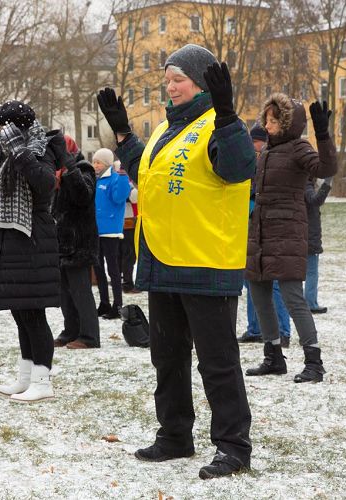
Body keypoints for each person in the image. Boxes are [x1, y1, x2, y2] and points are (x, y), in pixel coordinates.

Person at [97, 44, 254, 479]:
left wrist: (227, 115)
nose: (169, 87)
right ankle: (174, 435)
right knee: (167, 356)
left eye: (177, 79)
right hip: (164, 262)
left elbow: (241, 167)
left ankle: (234, 447)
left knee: (217, 360)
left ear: (201, 82)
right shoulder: (171, 129)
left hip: (206, 262)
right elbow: (147, 174)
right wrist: (124, 135)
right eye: (166, 80)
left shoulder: (216, 125)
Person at [245, 95, 337, 383]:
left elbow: (326, 169)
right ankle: (273, 356)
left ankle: (314, 361)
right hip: (260, 233)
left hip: (287, 233)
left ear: (287, 123)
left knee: (293, 298)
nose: (268, 126)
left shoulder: (299, 148)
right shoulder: (265, 153)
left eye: (275, 121)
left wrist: (322, 135)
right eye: (267, 120)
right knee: (259, 294)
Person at [0, 100, 60, 402]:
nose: (1, 133)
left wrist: (20, 153)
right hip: (10, 242)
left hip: (33, 242)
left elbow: (44, 185)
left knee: (33, 313)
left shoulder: (42, 147)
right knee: (19, 312)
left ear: (18, 125)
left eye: (4, 126)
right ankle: (26, 376)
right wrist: (0, 153)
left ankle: (43, 380)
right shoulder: (8, 152)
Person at [238, 124, 291, 347]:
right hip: (252, 227)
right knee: (251, 280)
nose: (251, 146)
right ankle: (256, 328)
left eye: (254, 142)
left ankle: (281, 330)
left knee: (271, 281)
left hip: (267, 229)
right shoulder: (257, 160)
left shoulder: (268, 160)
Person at [51, 134, 100, 349]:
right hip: (62, 242)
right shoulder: (57, 172)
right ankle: (71, 330)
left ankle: (89, 336)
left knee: (81, 292)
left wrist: (71, 168)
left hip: (80, 242)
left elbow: (83, 196)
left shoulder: (84, 168)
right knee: (65, 293)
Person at [93, 148, 131, 320]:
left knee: (113, 270)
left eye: (98, 162)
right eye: (94, 162)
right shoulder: (96, 179)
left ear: (107, 163)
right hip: (96, 231)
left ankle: (117, 304)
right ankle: (104, 302)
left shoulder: (115, 178)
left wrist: (123, 175)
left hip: (110, 231)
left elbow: (119, 197)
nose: (95, 165)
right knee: (98, 269)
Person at [304, 176, 332, 314]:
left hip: (306, 237)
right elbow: (316, 201)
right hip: (309, 238)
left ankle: (310, 302)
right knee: (312, 273)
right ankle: (310, 303)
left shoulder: (301, 184)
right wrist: (327, 184)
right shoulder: (306, 185)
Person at [119, 171, 139, 294]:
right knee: (129, 255)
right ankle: (127, 283)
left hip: (122, 222)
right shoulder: (128, 186)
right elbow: (134, 198)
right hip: (128, 223)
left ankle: (125, 281)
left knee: (123, 254)